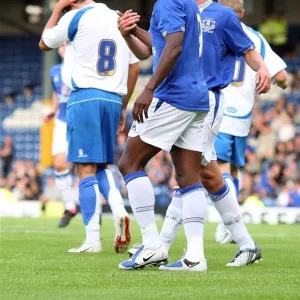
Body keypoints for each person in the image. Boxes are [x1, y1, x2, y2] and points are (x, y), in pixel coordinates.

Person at [117, 0, 270, 271]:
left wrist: (149, 88)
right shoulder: (189, 6)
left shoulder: (173, 3)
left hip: (176, 94)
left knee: (129, 163)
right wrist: (132, 32)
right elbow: (161, 44)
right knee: (192, 176)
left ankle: (154, 244)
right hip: (199, 98)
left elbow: (174, 48)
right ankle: (196, 256)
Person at [39, 0, 139, 254]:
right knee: (103, 165)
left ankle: (92, 239)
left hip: (85, 97)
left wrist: (56, 11)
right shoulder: (117, 16)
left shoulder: (75, 17)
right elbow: (134, 64)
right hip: (113, 99)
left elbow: (45, 42)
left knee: (84, 169)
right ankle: (118, 208)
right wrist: (123, 106)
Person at [213, 0, 288, 244]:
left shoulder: (214, 29)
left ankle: (229, 224)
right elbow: (283, 77)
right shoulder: (255, 38)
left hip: (219, 111)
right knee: (233, 170)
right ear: (242, 13)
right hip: (243, 117)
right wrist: (281, 84)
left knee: (221, 169)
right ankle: (232, 223)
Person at [44, 43, 79, 228]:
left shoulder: (81, 67)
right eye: (62, 44)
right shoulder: (54, 71)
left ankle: (93, 210)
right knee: (59, 165)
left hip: (79, 121)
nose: (64, 47)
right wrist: (53, 110)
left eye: (68, 44)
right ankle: (71, 206)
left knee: (85, 167)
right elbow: (57, 94)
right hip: (61, 121)